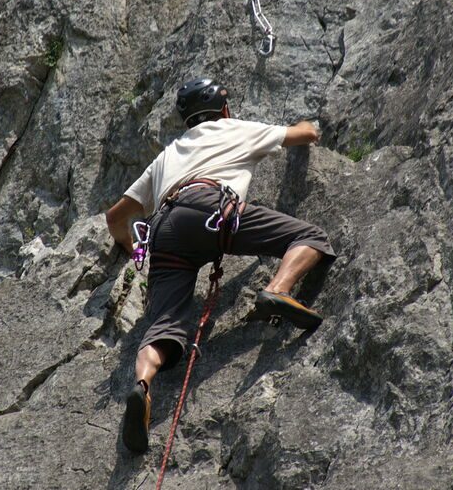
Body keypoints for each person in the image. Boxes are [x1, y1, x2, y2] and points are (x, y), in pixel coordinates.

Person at [105, 77, 336, 453]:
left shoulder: (168, 154)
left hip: (164, 228)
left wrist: (136, 253)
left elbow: (116, 217)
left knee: (163, 327)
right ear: (224, 110)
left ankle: (143, 384)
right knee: (309, 238)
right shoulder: (236, 128)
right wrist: (314, 125)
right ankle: (278, 290)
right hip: (212, 209)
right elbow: (304, 134)